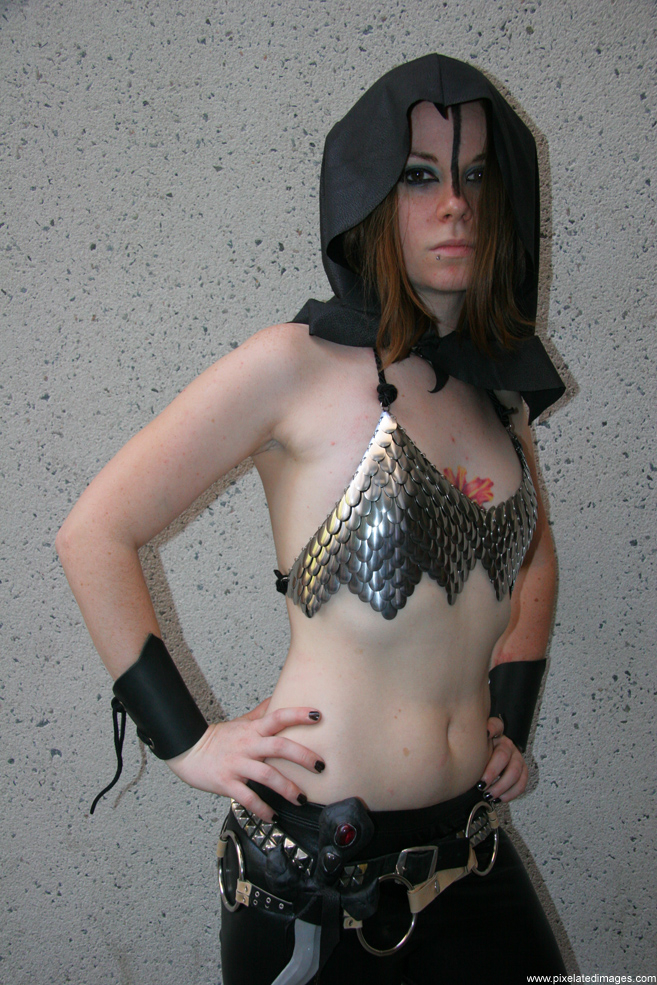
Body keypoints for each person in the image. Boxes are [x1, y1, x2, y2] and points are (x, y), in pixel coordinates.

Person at [57, 54, 568, 984]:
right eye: (419, 176)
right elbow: (94, 533)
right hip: (317, 879)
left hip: (470, 852)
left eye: (474, 174)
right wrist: (190, 742)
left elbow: (529, 558)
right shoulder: (293, 365)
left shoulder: (500, 395)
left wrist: (510, 716)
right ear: (368, 194)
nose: (454, 204)